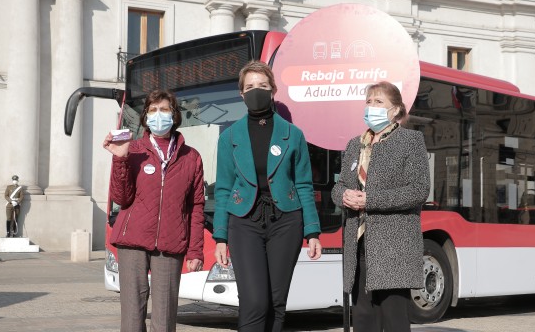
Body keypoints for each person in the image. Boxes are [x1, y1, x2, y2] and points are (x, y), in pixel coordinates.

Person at [213, 60, 323, 332]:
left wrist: (313, 232)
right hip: (244, 221)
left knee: (276, 302)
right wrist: (220, 236)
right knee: (254, 302)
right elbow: (224, 189)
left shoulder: (293, 134)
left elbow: (304, 185)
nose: (256, 91)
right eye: (249, 86)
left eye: (262, 85)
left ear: (273, 89)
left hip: (286, 221)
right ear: (241, 94)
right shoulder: (229, 137)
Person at [102, 89, 205, 332]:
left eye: (164, 109)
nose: (158, 115)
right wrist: (120, 159)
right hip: (133, 240)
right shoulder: (132, 149)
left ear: (175, 115)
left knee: (165, 318)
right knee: (132, 316)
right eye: (153, 110)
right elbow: (121, 197)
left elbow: (196, 206)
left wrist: (196, 251)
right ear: (146, 116)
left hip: (170, 243)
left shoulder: (192, 157)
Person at [331, 81, 430, 332]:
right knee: (363, 317)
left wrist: (369, 200)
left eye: (379, 102)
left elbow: (418, 190)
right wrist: (343, 195)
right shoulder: (356, 144)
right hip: (359, 243)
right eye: (369, 101)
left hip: (393, 245)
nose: (371, 106)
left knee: (393, 317)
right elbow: (339, 185)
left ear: (395, 110)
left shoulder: (410, 140)